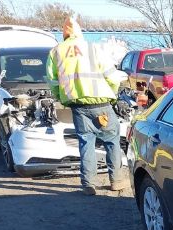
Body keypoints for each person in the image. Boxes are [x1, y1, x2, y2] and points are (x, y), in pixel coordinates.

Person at [46, 17, 125, 195]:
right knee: (111, 141)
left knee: (86, 143)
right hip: (102, 104)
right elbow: (111, 76)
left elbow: (52, 81)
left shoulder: (56, 52)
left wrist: (61, 98)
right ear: (79, 31)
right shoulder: (93, 48)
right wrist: (112, 95)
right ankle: (117, 181)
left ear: (64, 33)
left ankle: (88, 184)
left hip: (78, 106)